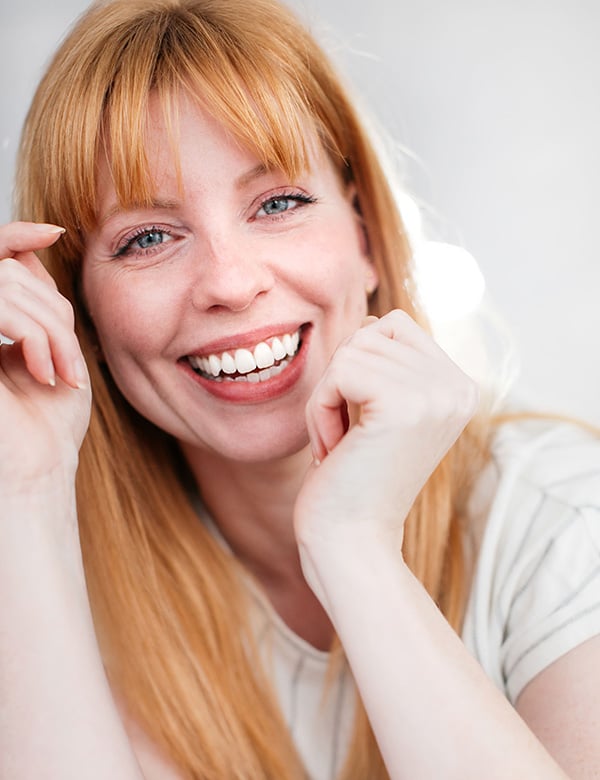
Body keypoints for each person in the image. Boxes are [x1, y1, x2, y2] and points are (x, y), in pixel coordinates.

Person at [1, 0, 599, 778]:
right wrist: (25, 495)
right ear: (75, 308)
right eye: (147, 237)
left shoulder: (558, 521)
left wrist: (353, 546)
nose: (230, 281)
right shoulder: (50, 581)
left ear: (368, 238)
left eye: (277, 203)